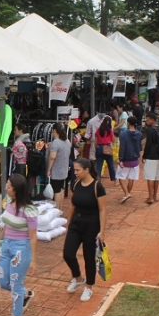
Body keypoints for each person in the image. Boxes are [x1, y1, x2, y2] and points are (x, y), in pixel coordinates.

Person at [0, 174, 38, 316]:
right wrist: (0, 242)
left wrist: (34, 260)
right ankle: (26, 294)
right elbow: (5, 225)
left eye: (8, 186)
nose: (6, 188)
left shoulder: (29, 210)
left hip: (22, 248)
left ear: (17, 189)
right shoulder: (8, 202)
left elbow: (33, 237)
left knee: (15, 284)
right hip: (6, 245)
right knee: (2, 281)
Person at [62, 158, 107, 302]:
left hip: (91, 224)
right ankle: (78, 278)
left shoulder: (97, 187)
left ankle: (89, 287)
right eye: (74, 170)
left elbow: (102, 210)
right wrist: (68, 223)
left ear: (86, 170)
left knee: (89, 257)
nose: (75, 173)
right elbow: (72, 205)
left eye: (77, 170)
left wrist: (102, 231)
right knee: (68, 254)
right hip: (76, 223)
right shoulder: (75, 184)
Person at [47, 123, 71, 211]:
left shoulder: (56, 142)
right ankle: (60, 208)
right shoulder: (67, 141)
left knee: (56, 190)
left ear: (55, 131)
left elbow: (52, 157)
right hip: (64, 169)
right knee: (61, 188)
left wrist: (49, 169)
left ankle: (56, 209)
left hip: (56, 170)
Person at [118, 116, 142, 202]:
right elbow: (139, 147)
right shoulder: (139, 134)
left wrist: (120, 159)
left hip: (126, 159)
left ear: (128, 123)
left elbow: (122, 147)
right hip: (135, 159)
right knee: (131, 178)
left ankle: (127, 193)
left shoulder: (123, 134)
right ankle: (127, 193)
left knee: (120, 177)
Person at [142, 112, 159, 204]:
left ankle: (150, 197)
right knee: (156, 177)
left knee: (150, 176)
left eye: (148, 119)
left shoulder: (150, 130)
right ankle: (155, 196)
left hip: (151, 155)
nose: (147, 121)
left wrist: (144, 155)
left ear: (152, 120)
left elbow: (148, 144)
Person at [94, 116, 116, 185]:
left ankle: (98, 181)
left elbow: (95, 142)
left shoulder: (98, 130)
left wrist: (96, 149)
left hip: (99, 147)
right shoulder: (110, 130)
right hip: (107, 147)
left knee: (98, 166)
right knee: (111, 165)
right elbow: (113, 140)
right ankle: (114, 180)